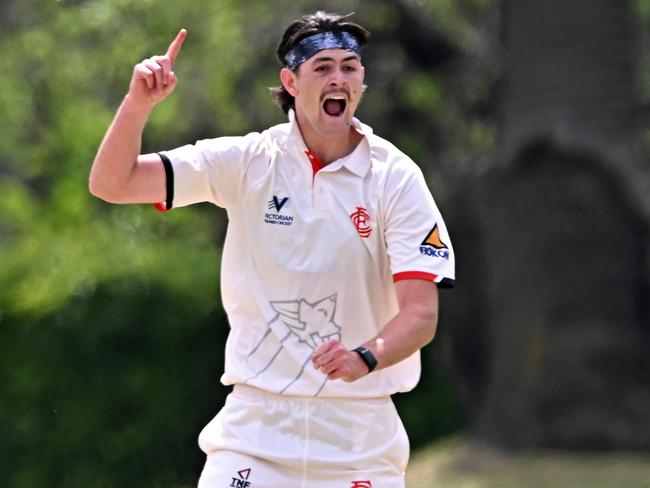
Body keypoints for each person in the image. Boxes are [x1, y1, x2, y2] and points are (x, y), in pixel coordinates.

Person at [89, 11, 455, 488]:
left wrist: (363, 357)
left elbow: (421, 314)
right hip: (255, 430)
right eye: (322, 67)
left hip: (358, 436)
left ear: (362, 78)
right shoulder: (247, 161)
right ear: (290, 80)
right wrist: (138, 105)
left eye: (350, 66)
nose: (338, 78)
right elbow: (112, 184)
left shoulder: (395, 176)